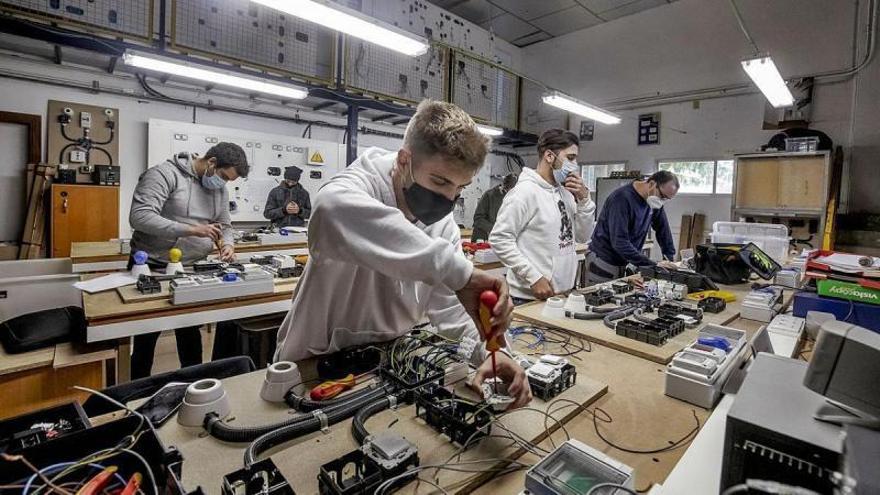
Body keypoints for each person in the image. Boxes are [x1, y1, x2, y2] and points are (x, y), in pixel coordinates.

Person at [274, 100, 531, 408]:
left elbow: (449, 306)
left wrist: (491, 351)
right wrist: (461, 273)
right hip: (312, 368)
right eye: (440, 181)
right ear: (404, 160)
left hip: (385, 366)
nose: (448, 198)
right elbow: (329, 211)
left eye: (460, 188)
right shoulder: (361, 184)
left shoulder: (442, 225)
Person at [128, 142, 249, 378]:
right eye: (223, 176)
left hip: (192, 268)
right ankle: (137, 392)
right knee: (146, 334)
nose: (222, 183)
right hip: (152, 265)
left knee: (190, 332)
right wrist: (191, 230)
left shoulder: (219, 190)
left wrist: (228, 245)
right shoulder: (164, 174)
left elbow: (225, 225)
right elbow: (140, 217)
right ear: (211, 162)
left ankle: (194, 386)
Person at [490, 129, 595, 302]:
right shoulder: (524, 193)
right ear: (549, 156)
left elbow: (583, 237)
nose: (574, 164)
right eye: (570, 158)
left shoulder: (566, 193)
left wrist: (584, 201)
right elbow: (500, 239)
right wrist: (533, 277)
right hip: (528, 297)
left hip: (562, 293)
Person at [586, 170, 680, 285]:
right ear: (651, 184)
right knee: (600, 298)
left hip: (625, 261)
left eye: (666, 199)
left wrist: (668, 258)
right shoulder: (621, 199)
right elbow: (620, 242)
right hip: (604, 261)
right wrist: (653, 265)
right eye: (663, 196)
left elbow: (663, 230)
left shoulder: (654, 201)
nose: (662, 201)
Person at [471, 173, 518, 242]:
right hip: (482, 238)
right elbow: (478, 219)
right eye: (508, 191)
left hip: (502, 238)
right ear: (503, 186)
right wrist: (495, 229)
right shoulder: (489, 195)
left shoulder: (514, 198)